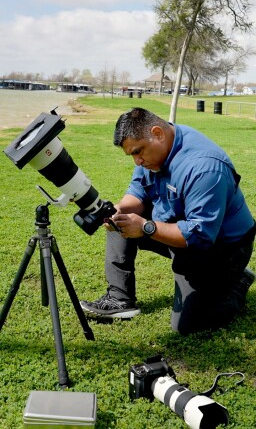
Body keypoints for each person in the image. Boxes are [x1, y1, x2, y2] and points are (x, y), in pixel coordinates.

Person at [81, 107, 256, 335]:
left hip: (221, 248)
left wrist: (146, 227)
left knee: (189, 325)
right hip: (180, 226)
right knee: (119, 219)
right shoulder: (154, 154)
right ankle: (119, 298)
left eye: (138, 151)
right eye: (132, 155)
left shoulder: (204, 167)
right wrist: (119, 210)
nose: (137, 161)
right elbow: (138, 192)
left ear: (157, 133)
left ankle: (238, 282)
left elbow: (200, 236)